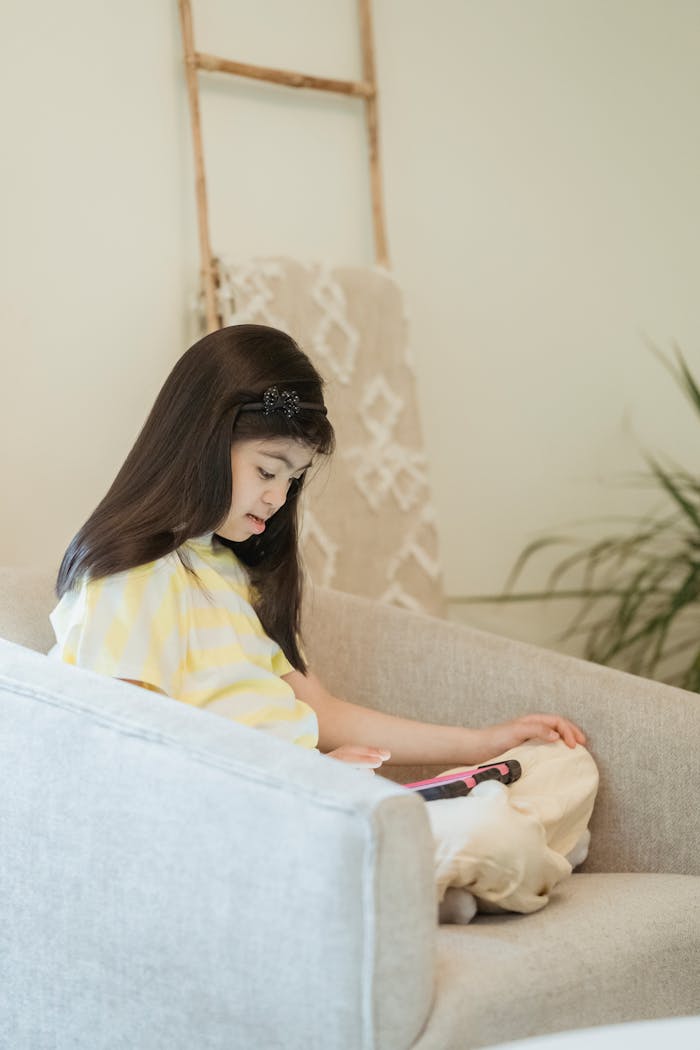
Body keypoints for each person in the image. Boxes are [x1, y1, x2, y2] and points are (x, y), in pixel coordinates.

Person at [49, 323, 597, 919]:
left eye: (292, 480)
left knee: (563, 768)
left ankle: (440, 874)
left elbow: (324, 714)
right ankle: (467, 864)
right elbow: (133, 757)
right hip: (255, 822)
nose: (277, 498)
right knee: (496, 831)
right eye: (267, 471)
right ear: (202, 440)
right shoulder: (129, 578)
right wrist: (301, 779)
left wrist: (482, 741)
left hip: (318, 803)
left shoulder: (230, 573)